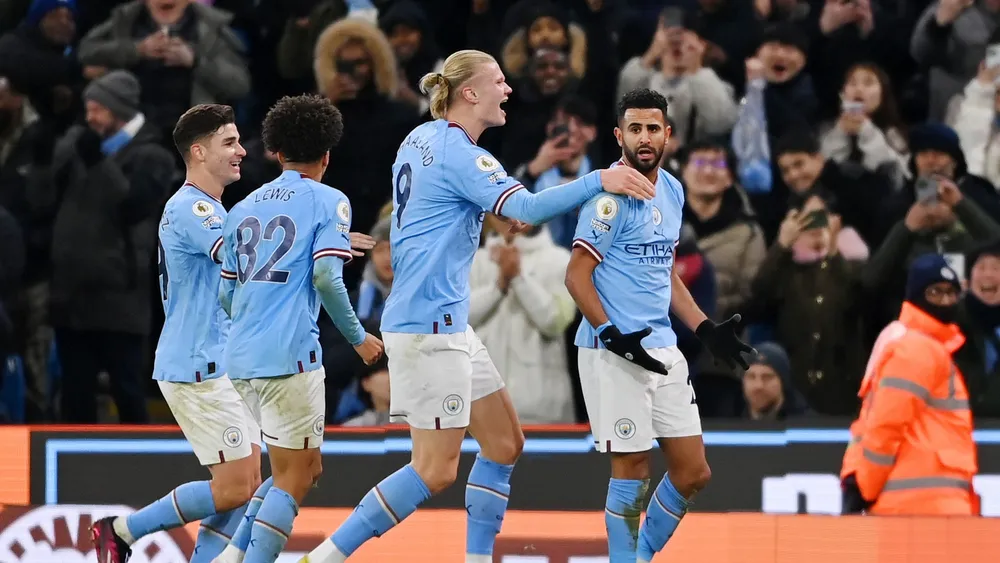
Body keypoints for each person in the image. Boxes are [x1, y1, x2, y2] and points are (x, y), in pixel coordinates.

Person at [300, 49, 657, 563]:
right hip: (428, 326)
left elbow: (455, 203)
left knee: (505, 443)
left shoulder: (420, 138)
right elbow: (527, 209)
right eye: (499, 81)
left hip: (446, 323)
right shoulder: (464, 154)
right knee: (434, 469)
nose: (508, 89)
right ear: (470, 92)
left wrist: (497, 208)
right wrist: (601, 179)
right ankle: (327, 556)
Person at [564, 88, 754, 563]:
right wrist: (611, 334)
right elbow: (576, 276)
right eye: (635, 128)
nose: (644, 138)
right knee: (632, 467)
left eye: (653, 128)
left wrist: (704, 327)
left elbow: (662, 270)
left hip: (661, 347)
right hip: (612, 351)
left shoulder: (672, 189)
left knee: (693, 473)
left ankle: (635, 558)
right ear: (619, 135)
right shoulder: (607, 200)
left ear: (668, 134)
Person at [213, 94, 383, 563]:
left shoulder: (242, 207)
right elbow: (327, 277)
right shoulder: (330, 200)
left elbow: (226, 293)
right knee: (294, 477)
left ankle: (228, 558)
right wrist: (359, 338)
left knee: (300, 468)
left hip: (242, 357)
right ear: (327, 155)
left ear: (276, 151)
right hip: (291, 357)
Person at [90, 104, 263, 563]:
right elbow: (242, 261)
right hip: (196, 365)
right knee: (234, 486)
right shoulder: (191, 208)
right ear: (199, 151)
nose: (242, 151)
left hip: (219, 361)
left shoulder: (211, 208)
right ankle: (123, 529)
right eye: (230, 142)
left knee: (243, 489)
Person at [841, 253, 978, 516]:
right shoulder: (917, 348)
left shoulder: (915, 345)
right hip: (920, 508)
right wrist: (865, 488)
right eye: (936, 292)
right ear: (915, 296)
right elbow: (887, 425)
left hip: (921, 504)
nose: (946, 301)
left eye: (951, 293)